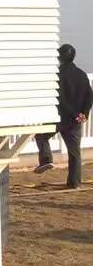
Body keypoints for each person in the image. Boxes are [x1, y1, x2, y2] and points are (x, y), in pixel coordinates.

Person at [35, 43, 92, 188]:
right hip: (76, 120)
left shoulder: (58, 74)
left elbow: (59, 98)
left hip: (59, 118)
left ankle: (46, 160)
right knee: (74, 153)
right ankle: (74, 183)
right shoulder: (81, 74)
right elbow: (90, 96)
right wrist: (84, 114)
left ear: (60, 57)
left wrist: (74, 113)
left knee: (41, 136)